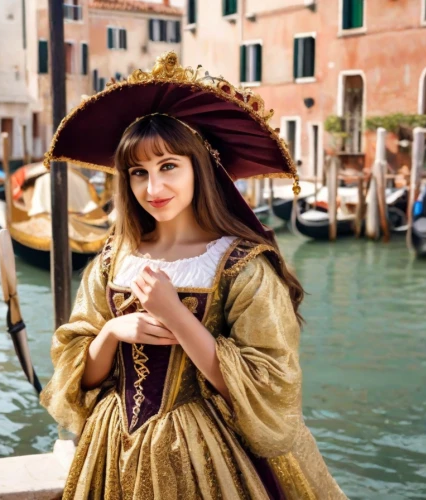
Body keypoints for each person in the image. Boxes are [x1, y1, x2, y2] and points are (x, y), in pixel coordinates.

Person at [40, 52, 347, 499]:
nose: (153, 188)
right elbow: (78, 379)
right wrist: (109, 333)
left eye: (168, 167)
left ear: (198, 168)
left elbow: (268, 387)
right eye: (138, 173)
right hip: (108, 450)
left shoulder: (242, 264)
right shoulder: (112, 259)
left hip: (204, 456)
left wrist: (176, 316)